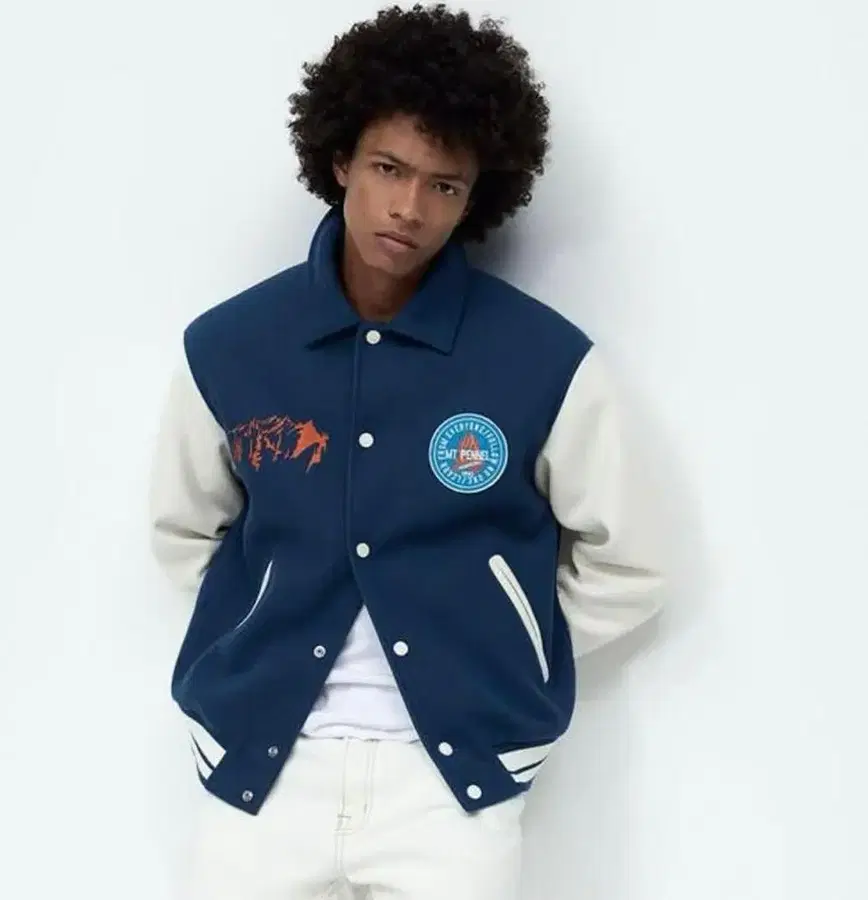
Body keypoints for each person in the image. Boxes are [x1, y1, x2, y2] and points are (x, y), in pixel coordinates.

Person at [148, 4, 665, 899]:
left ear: (477, 197)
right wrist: (259, 625)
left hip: (451, 790)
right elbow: (184, 531)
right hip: (260, 769)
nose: (409, 208)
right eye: (389, 168)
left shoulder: (544, 362)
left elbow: (632, 563)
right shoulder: (229, 348)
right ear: (340, 159)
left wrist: (498, 642)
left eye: (445, 185)